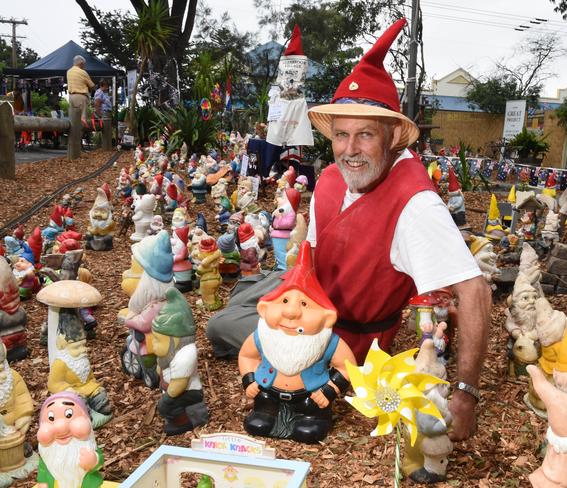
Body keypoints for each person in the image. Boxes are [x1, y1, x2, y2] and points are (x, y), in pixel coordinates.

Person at [206, 18, 491, 442]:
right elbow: (314, 253)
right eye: (341, 135)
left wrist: (465, 394)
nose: (350, 150)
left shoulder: (416, 203)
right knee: (246, 291)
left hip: (344, 336)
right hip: (310, 302)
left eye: (364, 135)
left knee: (218, 327)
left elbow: (476, 291)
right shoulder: (333, 177)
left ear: (393, 135)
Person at [66, 55, 94, 125]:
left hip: (71, 97)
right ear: (81, 63)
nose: (84, 66)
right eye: (84, 64)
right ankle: (81, 129)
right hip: (81, 97)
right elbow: (92, 85)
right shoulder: (83, 72)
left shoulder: (68, 72)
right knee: (82, 119)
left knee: (73, 119)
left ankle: (73, 134)